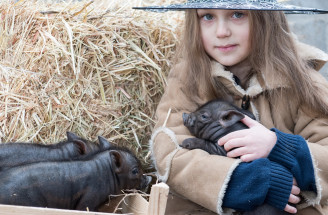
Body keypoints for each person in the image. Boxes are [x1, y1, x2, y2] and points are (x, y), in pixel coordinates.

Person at [134, 0, 328, 214]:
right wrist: (253, 181)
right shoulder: (188, 79)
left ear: (266, 19)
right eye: (208, 17)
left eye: (237, 14)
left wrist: (278, 145)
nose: (222, 32)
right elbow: (170, 151)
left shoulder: (303, 82)